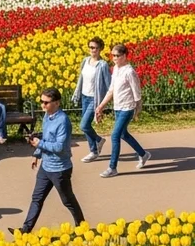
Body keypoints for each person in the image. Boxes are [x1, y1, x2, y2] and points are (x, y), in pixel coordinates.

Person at [13, 87, 85, 234]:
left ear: (57, 103)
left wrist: (39, 144)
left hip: (60, 169)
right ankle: (25, 230)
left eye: (46, 102)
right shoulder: (47, 116)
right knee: (37, 198)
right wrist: (37, 154)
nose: (43, 105)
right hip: (46, 167)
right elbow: (46, 138)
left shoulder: (63, 121)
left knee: (68, 201)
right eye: (41, 102)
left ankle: (82, 228)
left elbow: (59, 147)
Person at [94, 44, 151, 177]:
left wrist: (138, 108)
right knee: (123, 134)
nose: (114, 58)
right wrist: (100, 106)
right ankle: (143, 154)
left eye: (117, 55)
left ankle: (112, 167)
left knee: (115, 135)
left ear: (124, 56)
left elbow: (137, 92)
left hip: (127, 108)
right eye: (112, 55)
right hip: (117, 107)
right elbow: (111, 90)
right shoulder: (115, 69)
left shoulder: (129, 71)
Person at [71, 38, 111, 163]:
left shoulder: (103, 65)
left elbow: (109, 83)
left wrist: (104, 103)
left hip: (95, 98)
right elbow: (81, 79)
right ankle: (94, 150)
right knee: (86, 125)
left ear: (100, 49)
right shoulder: (85, 61)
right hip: (84, 96)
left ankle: (98, 141)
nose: (92, 50)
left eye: (95, 48)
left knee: (83, 125)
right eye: (90, 47)